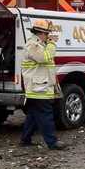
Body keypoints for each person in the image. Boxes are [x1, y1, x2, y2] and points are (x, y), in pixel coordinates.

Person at [20, 19, 66, 150]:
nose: (48, 37)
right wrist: (52, 44)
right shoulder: (33, 45)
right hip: (38, 88)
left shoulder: (39, 44)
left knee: (33, 115)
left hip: (39, 86)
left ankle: (25, 139)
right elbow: (44, 58)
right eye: (47, 34)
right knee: (46, 115)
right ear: (41, 33)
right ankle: (52, 142)